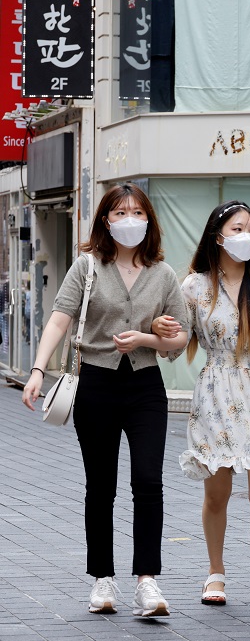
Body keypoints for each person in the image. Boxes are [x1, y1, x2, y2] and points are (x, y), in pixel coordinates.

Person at [21, 182, 189, 617]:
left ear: (148, 220)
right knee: (101, 486)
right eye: (119, 213)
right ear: (105, 221)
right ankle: (103, 579)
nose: (129, 220)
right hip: (96, 383)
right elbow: (60, 319)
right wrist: (38, 369)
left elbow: (179, 340)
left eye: (136, 212)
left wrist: (152, 336)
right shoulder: (87, 266)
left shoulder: (164, 274)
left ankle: (147, 582)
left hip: (146, 384)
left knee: (149, 481)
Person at [153, 200, 250, 623]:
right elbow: (176, 340)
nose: (246, 235)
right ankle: (215, 572)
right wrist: (158, 331)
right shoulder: (195, 287)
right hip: (215, 393)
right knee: (217, 493)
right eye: (238, 227)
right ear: (217, 236)